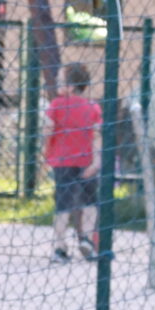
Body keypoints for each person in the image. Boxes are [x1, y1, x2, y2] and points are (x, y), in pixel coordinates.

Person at [44, 62, 100, 263]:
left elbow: (48, 128)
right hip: (86, 161)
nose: (56, 83)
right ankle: (87, 240)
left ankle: (60, 247)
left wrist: (45, 151)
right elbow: (97, 135)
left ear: (71, 86)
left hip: (62, 162)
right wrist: (97, 161)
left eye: (60, 81)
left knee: (63, 205)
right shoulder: (92, 107)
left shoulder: (57, 105)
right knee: (90, 203)